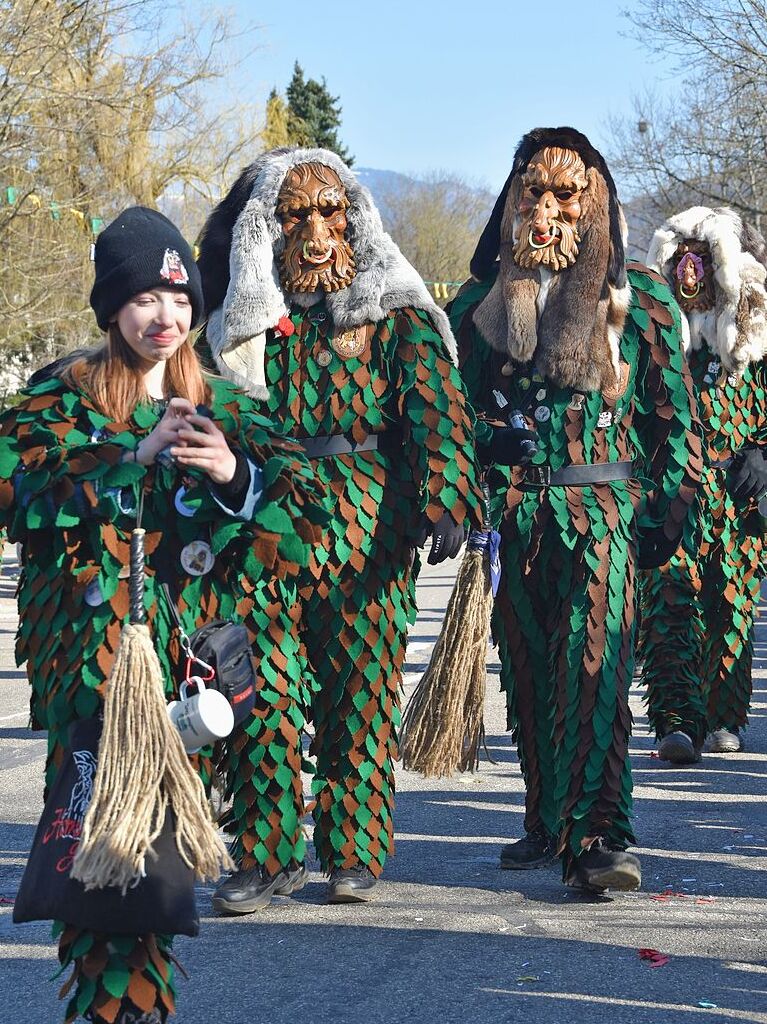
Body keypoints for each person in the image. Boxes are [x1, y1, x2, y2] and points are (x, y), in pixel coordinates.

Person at [0, 206, 326, 1024]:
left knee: (159, 857)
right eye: (145, 296)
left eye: (179, 298)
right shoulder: (59, 401)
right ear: (112, 307)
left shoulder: (230, 406)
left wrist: (234, 478)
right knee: (109, 851)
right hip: (92, 671)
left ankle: (130, 1005)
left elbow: (307, 534)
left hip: (190, 680)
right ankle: (120, 1009)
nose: (166, 315)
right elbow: (20, 494)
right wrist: (127, 460)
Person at [197, 146, 489, 907]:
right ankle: (264, 851)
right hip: (265, 520)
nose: (316, 231)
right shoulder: (241, 327)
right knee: (258, 692)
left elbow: (437, 410)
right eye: (296, 215)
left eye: (330, 213)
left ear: (355, 221)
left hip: (369, 527)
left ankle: (352, 849)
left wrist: (448, 493)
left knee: (358, 696)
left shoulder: (395, 318)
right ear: (268, 231)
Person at [448, 127, 703, 893]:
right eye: (535, 192)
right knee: (526, 677)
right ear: (512, 200)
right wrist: (478, 460)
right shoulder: (476, 306)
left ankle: (597, 840)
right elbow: (452, 418)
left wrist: (669, 507)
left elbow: (671, 417)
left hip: (603, 517)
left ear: (594, 205)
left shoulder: (642, 298)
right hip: (516, 519)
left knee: (593, 671)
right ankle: (545, 816)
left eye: (567, 194)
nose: (549, 209)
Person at [640, 206, 767, 761]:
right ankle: (676, 720)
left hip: (737, 493)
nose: (690, 275)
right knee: (668, 603)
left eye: (701, 262)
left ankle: (723, 717)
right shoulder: (658, 340)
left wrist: (763, 452)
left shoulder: (754, 340)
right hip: (673, 490)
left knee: (731, 604)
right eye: (682, 262)